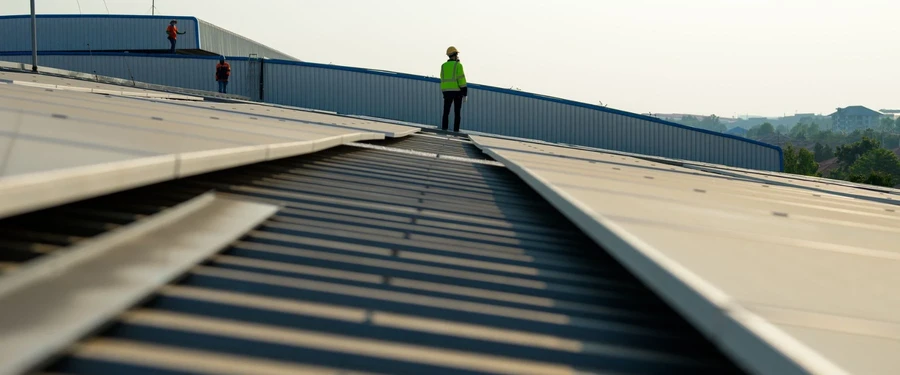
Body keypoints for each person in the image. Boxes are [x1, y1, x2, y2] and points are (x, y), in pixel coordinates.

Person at [440, 46, 468, 132]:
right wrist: (465, 93)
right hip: (457, 92)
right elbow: (461, 80)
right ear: (455, 55)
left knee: (446, 112)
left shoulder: (443, 66)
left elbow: (442, 78)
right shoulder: (458, 65)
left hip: (446, 92)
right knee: (457, 112)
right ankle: (456, 130)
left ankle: (444, 128)